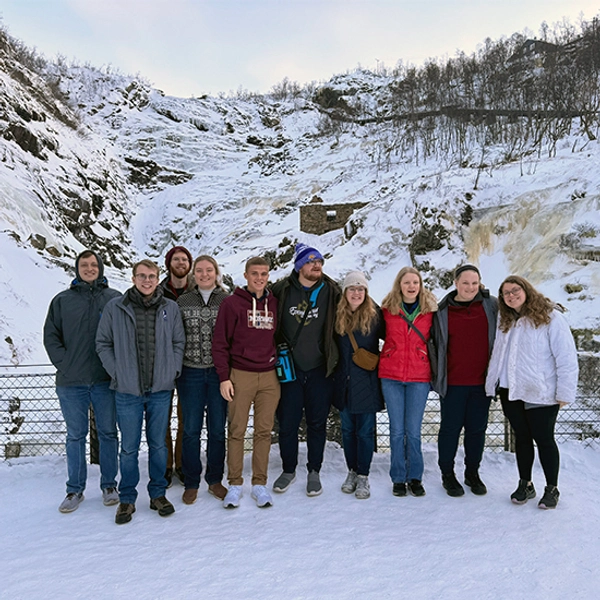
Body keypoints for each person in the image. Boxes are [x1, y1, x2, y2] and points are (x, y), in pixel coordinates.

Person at [96, 259, 185, 524]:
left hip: (160, 389)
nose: (147, 281)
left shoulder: (170, 308)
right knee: (129, 448)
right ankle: (127, 499)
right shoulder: (116, 307)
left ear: (158, 278)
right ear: (134, 278)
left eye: (152, 276)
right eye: (142, 276)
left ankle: (158, 493)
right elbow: (103, 343)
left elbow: (178, 341)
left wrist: (172, 370)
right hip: (127, 391)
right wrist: (118, 372)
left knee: (158, 445)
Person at [485, 276, 578, 509]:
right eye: (505, 293)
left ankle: (552, 488)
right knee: (523, 439)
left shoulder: (550, 317)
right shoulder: (505, 319)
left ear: (526, 290)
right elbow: (498, 354)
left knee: (544, 439)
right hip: (511, 390)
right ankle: (525, 483)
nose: (511, 296)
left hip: (541, 391)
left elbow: (566, 357)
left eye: (515, 290)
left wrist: (565, 392)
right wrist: (491, 383)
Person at [43, 250, 121, 513]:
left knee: (109, 433)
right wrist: (65, 364)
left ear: (100, 267)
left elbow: (123, 336)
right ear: (77, 269)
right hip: (71, 381)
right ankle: (74, 489)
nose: (89, 268)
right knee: (76, 435)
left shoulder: (114, 299)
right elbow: (51, 336)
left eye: (93, 264)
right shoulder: (62, 301)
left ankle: (109, 485)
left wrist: (116, 367)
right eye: (84, 265)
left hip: (104, 380)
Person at [271, 243, 341, 496]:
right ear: (300, 265)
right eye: (311, 261)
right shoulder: (281, 290)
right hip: (289, 370)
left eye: (319, 261)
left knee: (317, 423)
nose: (317, 265)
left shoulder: (332, 291)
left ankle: (314, 471)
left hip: (320, 369)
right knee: (287, 423)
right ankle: (289, 469)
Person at [212, 257, 280, 508]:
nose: (259, 278)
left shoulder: (274, 303)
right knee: (237, 430)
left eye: (264, 273)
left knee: (264, 431)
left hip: (269, 375)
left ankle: (259, 484)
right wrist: (224, 377)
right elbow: (219, 344)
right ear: (246, 275)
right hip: (240, 373)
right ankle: (235, 483)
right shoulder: (231, 304)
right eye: (255, 273)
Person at [431, 264, 498, 497]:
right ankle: (447, 474)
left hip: (482, 383)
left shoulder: (492, 306)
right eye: (466, 283)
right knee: (450, 430)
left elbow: (520, 309)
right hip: (453, 382)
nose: (470, 287)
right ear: (456, 283)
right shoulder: (441, 311)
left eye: (475, 283)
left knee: (477, 430)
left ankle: (472, 473)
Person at [379, 267, 437, 498]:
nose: (412, 286)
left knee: (413, 431)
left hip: (419, 377)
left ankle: (415, 477)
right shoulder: (387, 310)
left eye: (415, 282)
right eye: (407, 283)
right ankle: (398, 478)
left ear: (421, 285)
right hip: (391, 375)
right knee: (396, 430)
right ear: (399, 285)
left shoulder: (431, 311)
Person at [176, 255, 229, 504]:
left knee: (217, 429)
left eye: (209, 270)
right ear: (193, 274)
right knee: (191, 430)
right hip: (191, 374)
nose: (204, 274)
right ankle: (191, 481)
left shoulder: (227, 300)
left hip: (219, 374)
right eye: (200, 270)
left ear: (216, 273)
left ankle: (215, 479)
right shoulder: (182, 301)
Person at [332, 271, 384, 500]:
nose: (356, 292)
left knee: (364, 433)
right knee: (347, 431)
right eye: (352, 288)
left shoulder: (375, 315)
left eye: (360, 289)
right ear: (345, 292)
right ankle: (351, 471)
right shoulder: (336, 316)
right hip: (343, 382)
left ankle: (363, 475)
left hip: (367, 383)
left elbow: (394, 338)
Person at [161, 245, 192, 487]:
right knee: (162, 417)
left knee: (186, 417)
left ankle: (181, 463)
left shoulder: (198, 290)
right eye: (176, 259)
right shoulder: (157, 291)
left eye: (184, 259)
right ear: (169, 263)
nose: (180, 262)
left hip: (191, 362)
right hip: (161, 362)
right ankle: (165, 464)